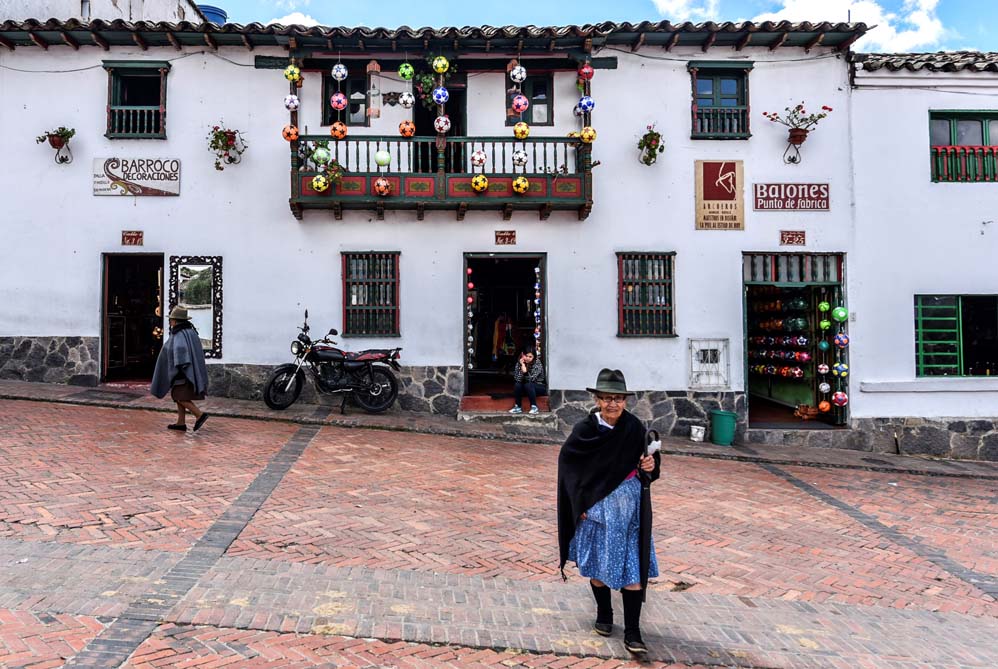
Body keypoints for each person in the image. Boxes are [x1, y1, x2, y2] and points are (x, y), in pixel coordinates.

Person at [557, 368, 660, 655]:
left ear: (625, 401)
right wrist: (580, 505)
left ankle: (633, 632)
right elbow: (569, 466)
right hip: (597, 512)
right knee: (599, 569)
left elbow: (651, 463)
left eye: (617, 398)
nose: (612, 404)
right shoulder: (586, 431)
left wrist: (651, 467)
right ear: (597, 400)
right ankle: (604, 614)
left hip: (629, 514)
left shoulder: (634, 428)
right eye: (605, 398)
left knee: (632, 572)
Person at [151, 306, 209, 432]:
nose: (170, 322)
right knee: (179, 395)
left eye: (171, 319)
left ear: (175, 320)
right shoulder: (190, 331)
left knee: (179, 397)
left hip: (182, 371)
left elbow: (180, 351)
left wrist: (177, 366)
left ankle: (199, 415)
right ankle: (180, 422)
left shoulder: (179, 333)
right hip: (187, 370)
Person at [509, 346, 546, 414]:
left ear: (534, 357)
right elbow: (517, 379)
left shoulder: (537, 363)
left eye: (530, 357)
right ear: (522, 354)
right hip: (526, 387)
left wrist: (525, 372)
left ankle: (534, 407)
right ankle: (518, 407)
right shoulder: (519, 363)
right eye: (526, 356)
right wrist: (522, 365)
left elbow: (531, 379)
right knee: (517, 385)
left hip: (539, 387)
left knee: (528, 385)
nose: (528, 358)